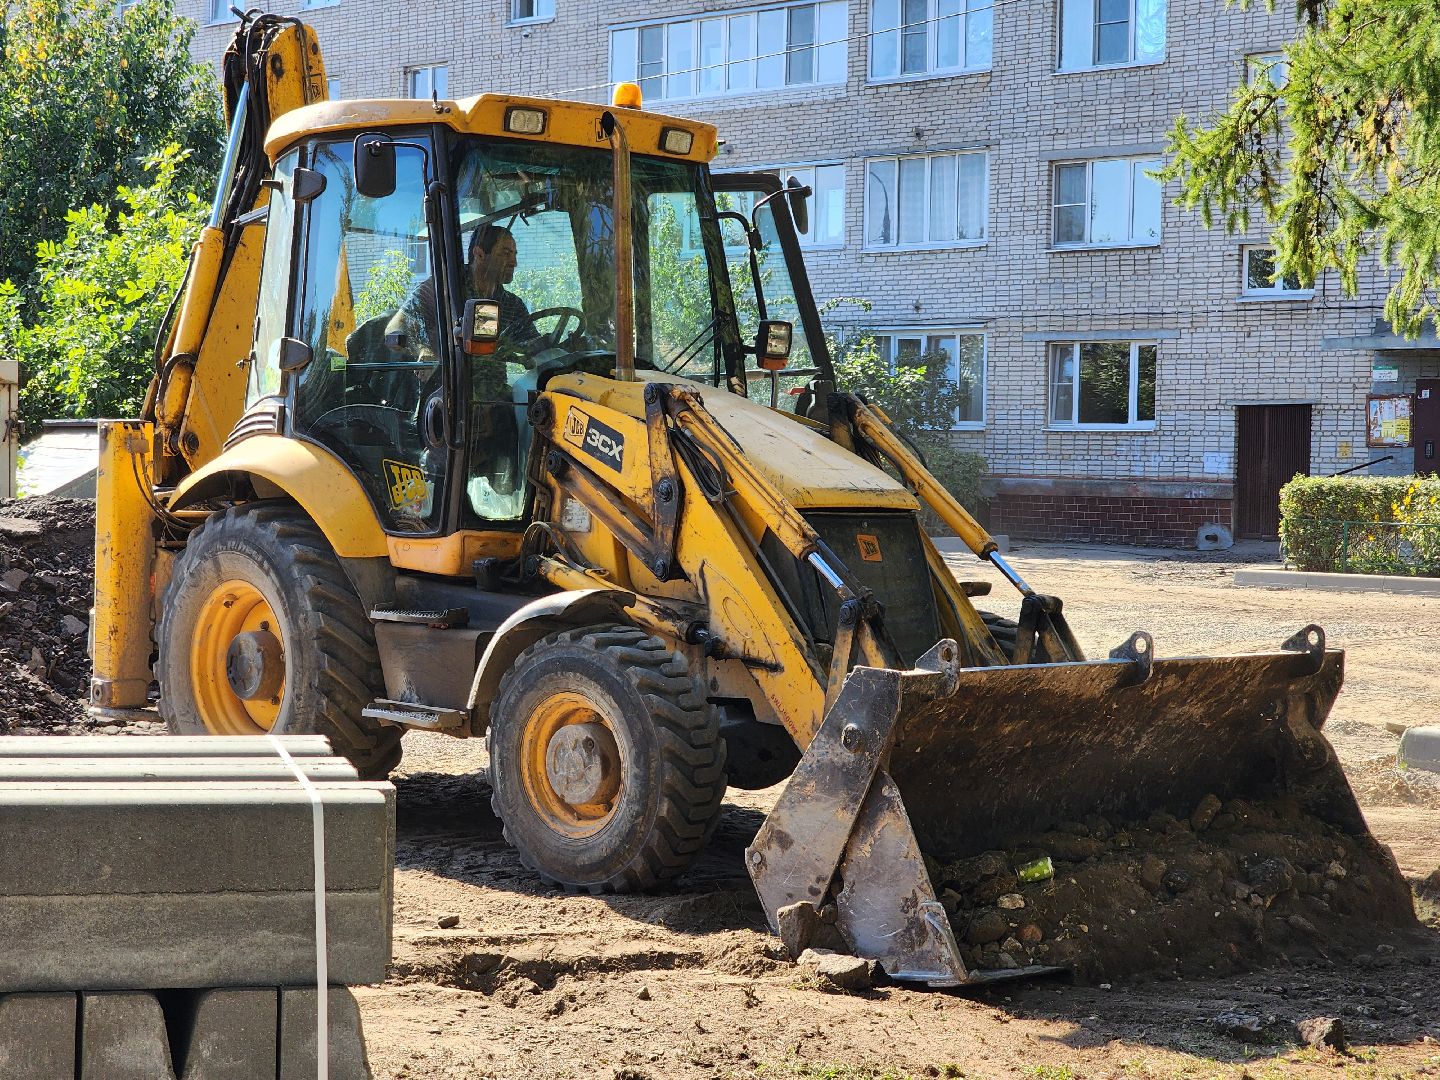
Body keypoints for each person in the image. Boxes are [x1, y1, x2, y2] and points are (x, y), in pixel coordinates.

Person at [385, 223, 539, 363]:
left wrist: (544, 345)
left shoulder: (511, 304)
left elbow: (533, 344)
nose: (514, 262)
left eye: (514, 254)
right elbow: (394, 331)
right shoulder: (444, 289)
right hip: (451, 381)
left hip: (495, 385)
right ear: (479, 254)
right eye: (506, 253)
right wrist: (423, 351)